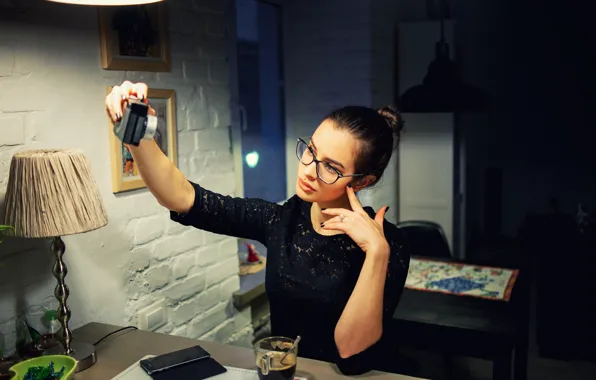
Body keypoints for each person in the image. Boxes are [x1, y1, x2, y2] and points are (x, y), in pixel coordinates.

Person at [105, 81, 411, 375]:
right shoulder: (284, 220)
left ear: (362, 181)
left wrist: (377, 254)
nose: (308, 170)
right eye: (311, 151)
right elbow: (186, 199)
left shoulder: (388, 245)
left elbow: (351, 354)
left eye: (330, 167)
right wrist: (138, 136)